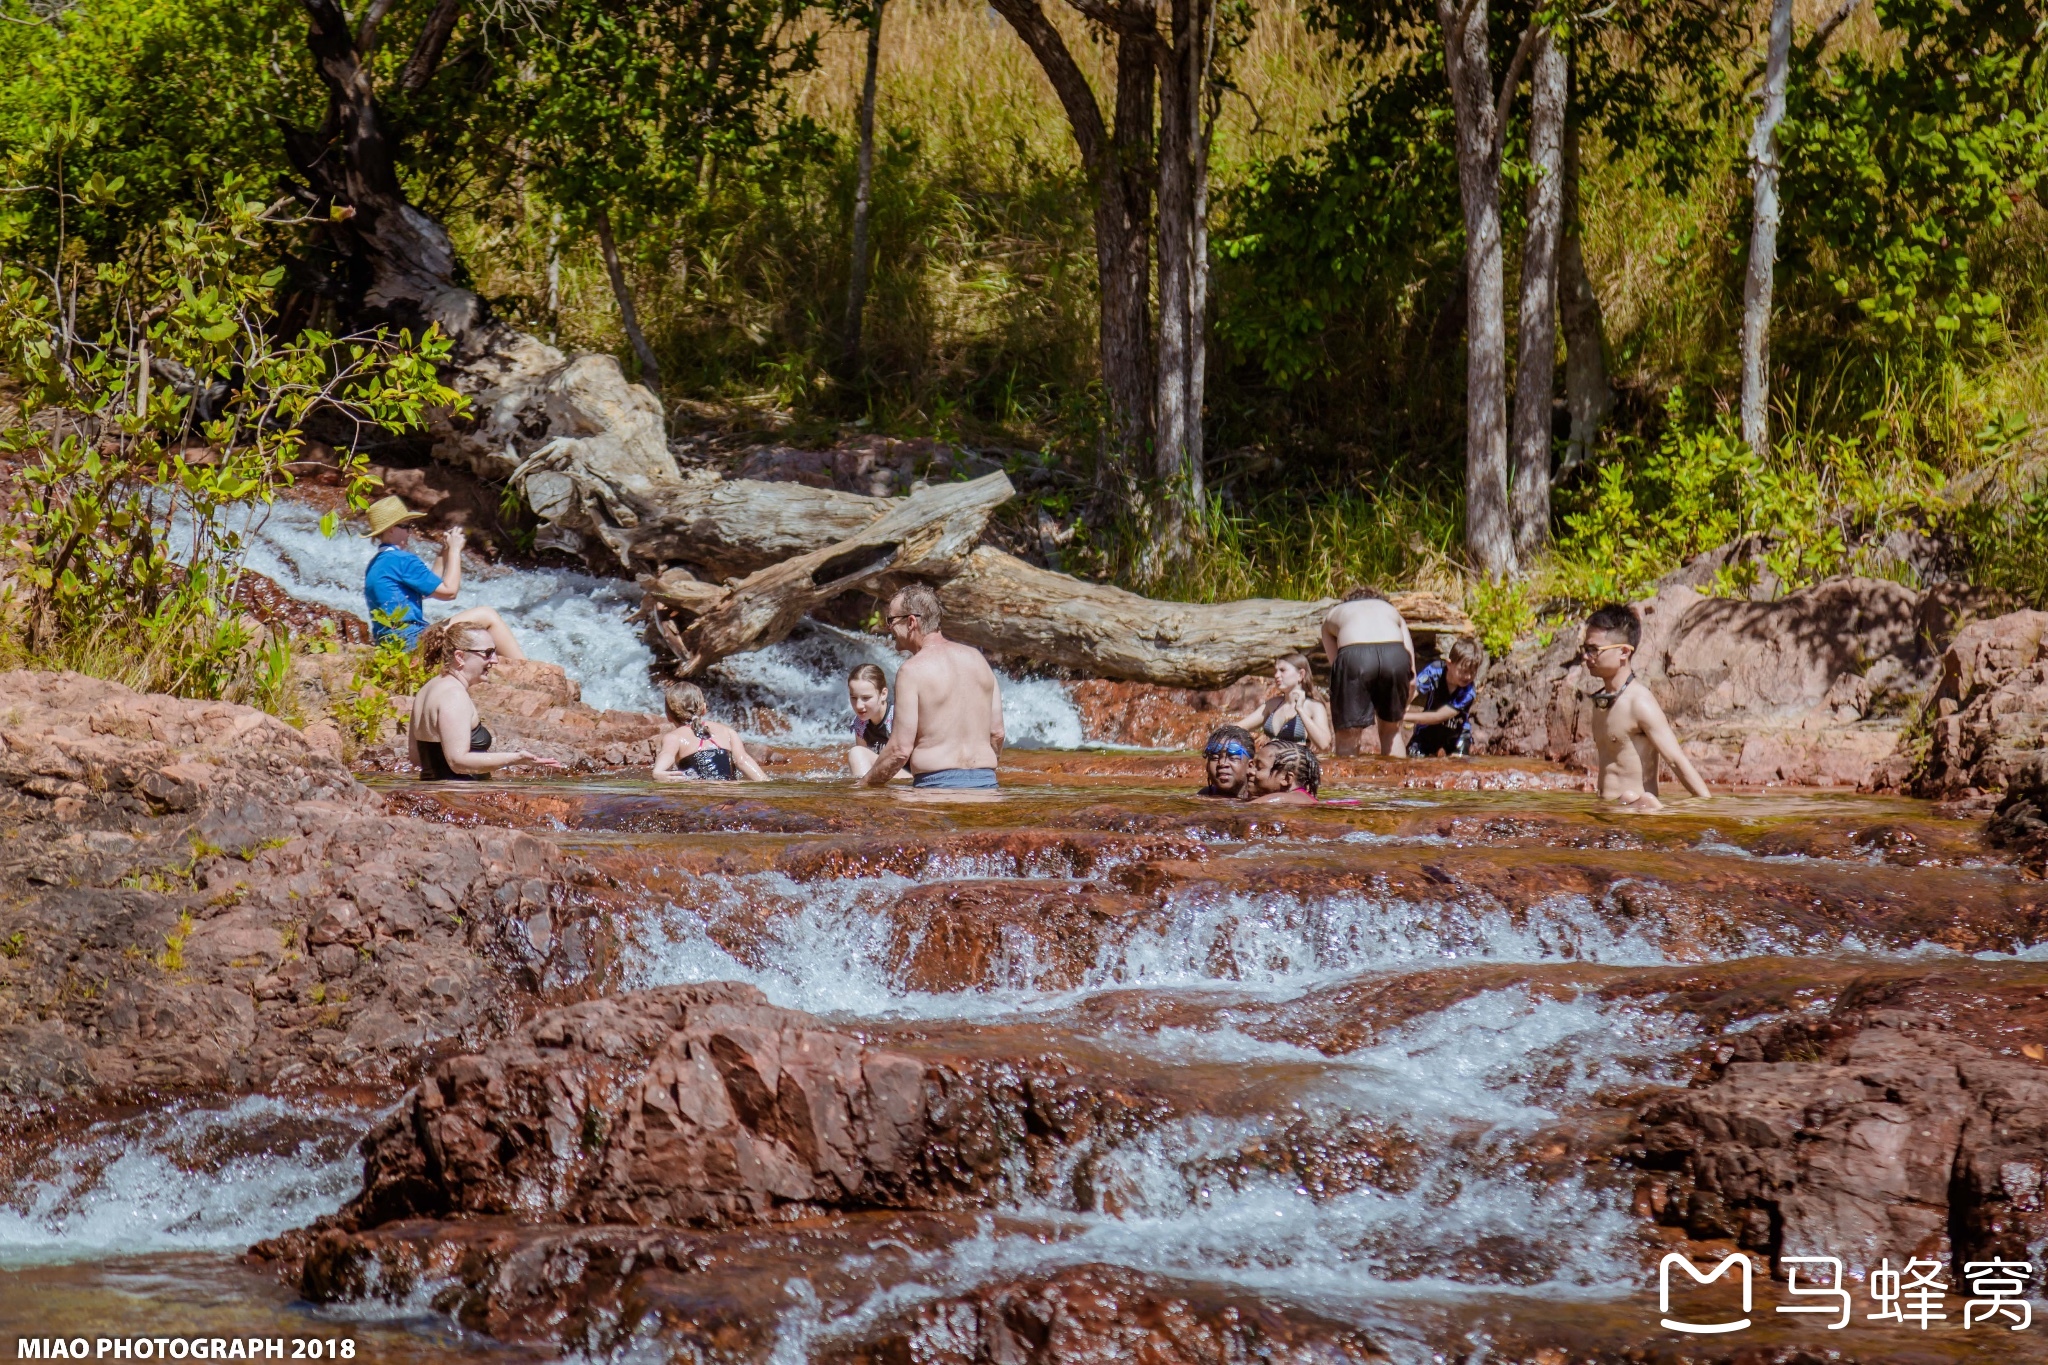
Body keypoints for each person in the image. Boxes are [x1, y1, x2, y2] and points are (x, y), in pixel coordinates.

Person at [860, 583, 1003, 789]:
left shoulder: (912, 671)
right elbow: (997, 733)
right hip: (986, 784)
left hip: (935, 786)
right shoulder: (979, 660)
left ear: (911, 622)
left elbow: (899, 750)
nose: (888, 628)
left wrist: (863, 785)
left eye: (891, 620)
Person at [1581, 603, 1711, 812]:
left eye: (1593, 650)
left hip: (1637, 818)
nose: (1586, 657)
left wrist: (1708, 810)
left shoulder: (1639, 702)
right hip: (1610, 813)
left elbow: (1676, 761)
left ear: (1623, 652)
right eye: (1585, 649)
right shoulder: (1602, 701)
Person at [362, 494, 525, 660]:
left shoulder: (376, 564)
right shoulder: (402, 559)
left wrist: (444, 551)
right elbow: (449, 592)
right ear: (392, 529)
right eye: (406, 526)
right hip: (412, 643)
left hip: (390, 645)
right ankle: (523, 667)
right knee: (487, 615)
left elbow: (426, 590)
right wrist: (455, 551)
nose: (410, 532)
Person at [408, 622, 563, 780]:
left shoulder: (427, 689)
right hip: (457, 796)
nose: (495, 660)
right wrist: (516, 758)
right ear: (459, 657)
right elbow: (458, 761)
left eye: (494, 652)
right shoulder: (454, 695)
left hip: (435, 791)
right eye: (488, 653)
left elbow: (416, 757)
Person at [1321, 586, 1415, 756]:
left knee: (1348, 735)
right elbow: (1413, 677)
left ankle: (1348, 782)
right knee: (1392, 732)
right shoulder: (1392, 611)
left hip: (1354, 655)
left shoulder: (1334, 614)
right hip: (1395, 655)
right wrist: (1403, 705)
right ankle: (1394, 780)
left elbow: (1338, 667)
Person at [653, 682, 768, 782]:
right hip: (732, 788)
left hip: (699, 789)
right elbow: (742, 760)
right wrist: (764, 780)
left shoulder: (674, 737)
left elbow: (667, 754)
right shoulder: (727, 731)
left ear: (668, 716)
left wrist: (658, 772)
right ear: (704, 709)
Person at [1235, 654, 1335, 752]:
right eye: (1276, 671)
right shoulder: (1272, 705)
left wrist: (1300, 710)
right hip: (1272, 764)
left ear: (1301, 674)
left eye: (1282, 670)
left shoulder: (1314, 707)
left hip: (1296, 764)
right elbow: (1240, 726)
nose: (1276, 675)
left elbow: (1324, 745)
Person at [1406, 636, 1486, 757]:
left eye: (1473, 672)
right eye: (1463, 671)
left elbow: (1438, 716)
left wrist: (1403, 716)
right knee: (1412, 758)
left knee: (1458, 767)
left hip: (1456, 735)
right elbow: (1413, 691)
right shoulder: (1434, 671)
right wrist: (1400, 708)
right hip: (1427, 730)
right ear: (1449, 664)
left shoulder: (1468, 692)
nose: (1468, 677)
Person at [846, 662, 895, 780]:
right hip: (882, 776)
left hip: (908, 778)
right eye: (853, 698)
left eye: (866, 698)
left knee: (856, 753)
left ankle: (865, 797)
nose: (858, 705)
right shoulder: (860, 723)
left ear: (883, 694)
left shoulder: (897, 717)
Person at [1245, 740, 1320, 805]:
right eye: (1252, 765)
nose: (1249, 771)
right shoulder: (1304, 799)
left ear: (1286, 779)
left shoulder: (1280, 800)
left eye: (1259, 767)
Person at [1196, 724, 1257, 798]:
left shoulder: (1259, 799)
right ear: (1207, 767)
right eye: (1215, 757)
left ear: (1250, 766)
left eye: (1232, 758)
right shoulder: (1203, 795)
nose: (1222, 763)